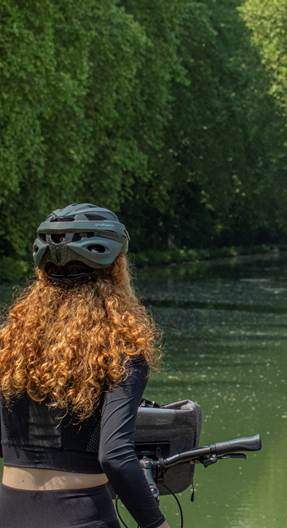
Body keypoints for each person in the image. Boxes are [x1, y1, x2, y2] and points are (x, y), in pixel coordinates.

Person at [0, 203, 168, 528]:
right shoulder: (119, 347)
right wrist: (156, 524)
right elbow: (115, 457)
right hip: (80, 517)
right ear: (117, 267)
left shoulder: (10, 343)